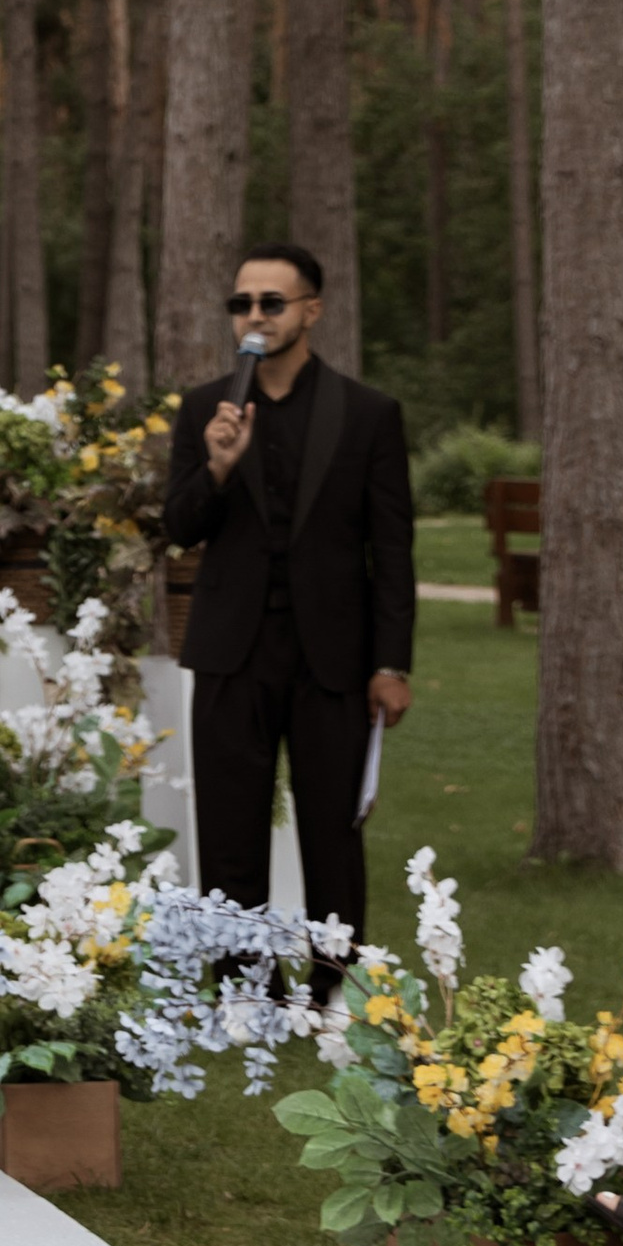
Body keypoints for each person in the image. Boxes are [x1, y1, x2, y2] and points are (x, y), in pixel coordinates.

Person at [164, 243, 415, 955]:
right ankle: (247, 987)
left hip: (332, 655)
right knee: (230, 827)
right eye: (241, 303)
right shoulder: (204, 410)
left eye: (271, 303)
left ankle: (337, 983)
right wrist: (216, 467)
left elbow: (391, 551)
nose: (254, 315)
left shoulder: (369, 414)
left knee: (333, 830)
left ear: (312, 310)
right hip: (230, 651)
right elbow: (178, 528)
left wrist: (392, 663)